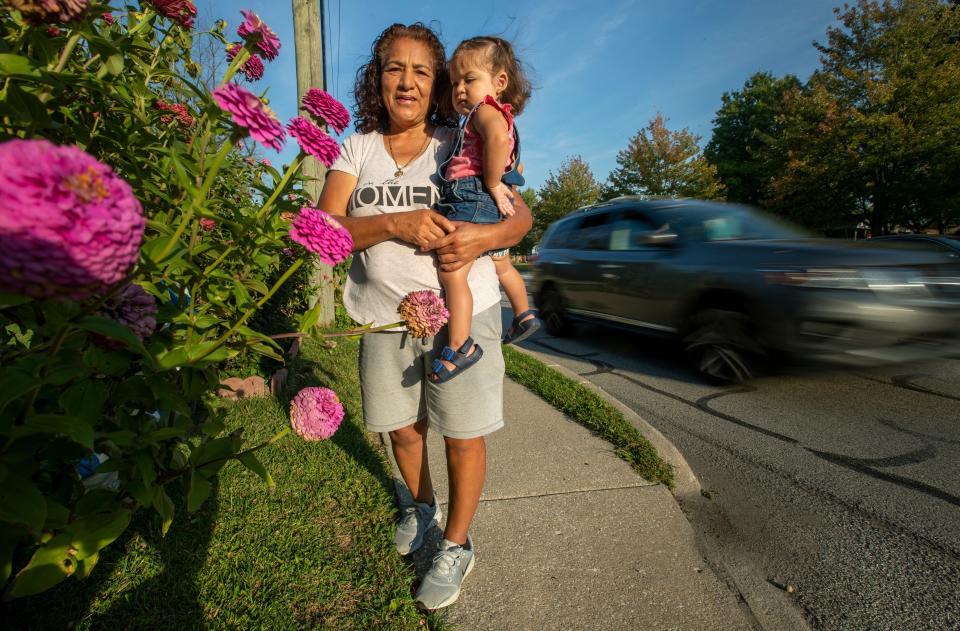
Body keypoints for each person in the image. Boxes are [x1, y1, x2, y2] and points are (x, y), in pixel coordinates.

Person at [318, 23, 532, 610]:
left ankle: (457, 545)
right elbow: (325, 230)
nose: (407, 81)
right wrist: (393, 222)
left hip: (462, 314)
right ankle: (422, 507)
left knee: (462, 435)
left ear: (436, 83)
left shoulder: (457, 138)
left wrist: (484, 237)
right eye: (394, 68)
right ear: (377, 78)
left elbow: (519, 218)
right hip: (384, 319)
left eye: (420, 70)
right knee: (402, 429)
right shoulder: (356, 147)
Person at [430, 36, 539, 383]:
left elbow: (495, 141)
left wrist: (491, 183)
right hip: (482, 198)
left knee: (452, 271)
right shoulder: (499, 115)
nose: (460, 89)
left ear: (499, 82)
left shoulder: (486, 111)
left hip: (472, 195)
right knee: (500, 260)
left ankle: (460, 345)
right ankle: (523, 313)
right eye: (455, 82)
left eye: (469, 79)